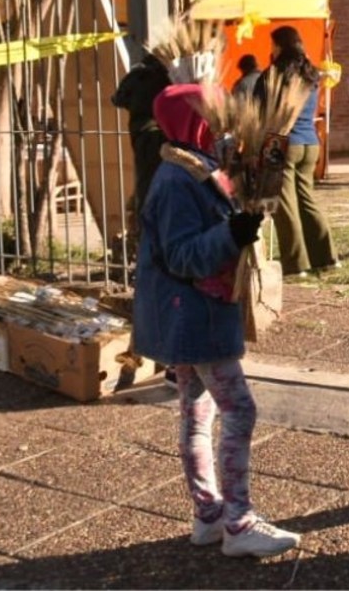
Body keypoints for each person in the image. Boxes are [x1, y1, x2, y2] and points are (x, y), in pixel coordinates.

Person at [132, 83, 300, 559]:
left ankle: (208, 516)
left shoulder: (195, 163)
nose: (223, 119)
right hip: (194, 314)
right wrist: (231, 233)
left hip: (190, 313)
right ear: (194, 120)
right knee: (239, 410)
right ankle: (238, 522)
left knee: (196, 409)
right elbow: (183, 255)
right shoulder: (176, 180)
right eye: (212, 113)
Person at [260, 25, 339, 277]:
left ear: (279, 46)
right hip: (310, 142)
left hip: (284, 142)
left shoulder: (274, 73)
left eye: (273, 45)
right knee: (307, 199)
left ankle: (296, 263)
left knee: (286, 205)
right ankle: (325, 256)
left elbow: (260, 108)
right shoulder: (311, 73)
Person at [110, 53, 172, 220]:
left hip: (139, 132)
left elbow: (117, 99)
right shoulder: (167, 76)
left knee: (144, 177)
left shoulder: (136, 76)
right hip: (162, 133)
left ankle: (143, 216)